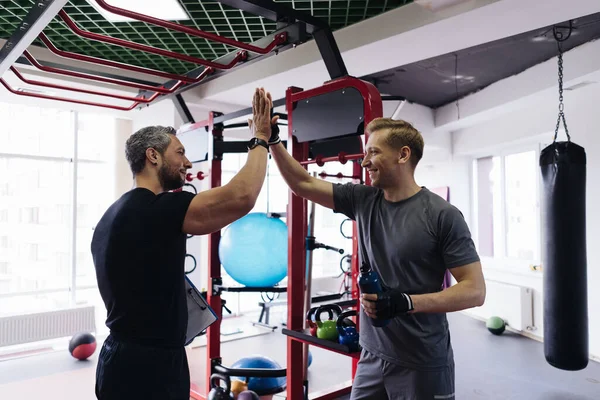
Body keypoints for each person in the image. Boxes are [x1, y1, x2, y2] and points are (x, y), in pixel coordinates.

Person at [268, 117, 486, 399]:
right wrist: (273, 140)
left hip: (421, 361)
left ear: (403, 155)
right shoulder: (363, 200)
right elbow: (302, 183)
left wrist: (406, 302)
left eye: (374, 152)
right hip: (372, 356)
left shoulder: (442, 215)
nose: (364, 162)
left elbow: (475, 290)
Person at [91, 88, 274, 400]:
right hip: (147, 366)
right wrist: (261, 137)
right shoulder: (157, 209)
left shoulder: (112, 214)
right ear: (153, 155)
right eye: (179, 152)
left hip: (122, 356)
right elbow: (242, 196)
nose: (187, 162)